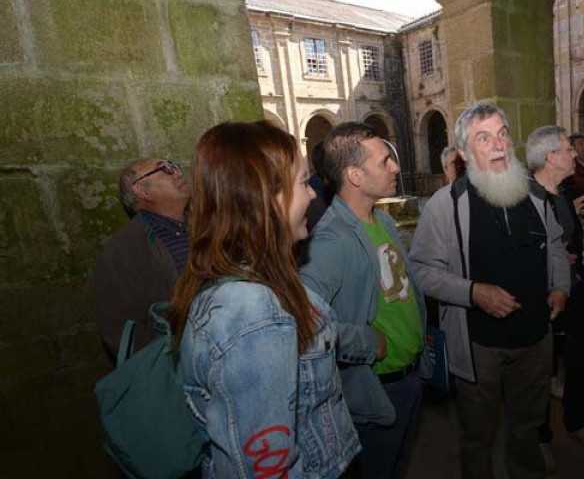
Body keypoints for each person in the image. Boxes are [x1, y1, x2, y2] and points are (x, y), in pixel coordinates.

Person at [170, 121, 360, 478]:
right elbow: (265, 467)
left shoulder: (248, 282)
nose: (313, 195)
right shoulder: (252, 313)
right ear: (267, 197)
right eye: (303, 182)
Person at [410, 103, 570, 479]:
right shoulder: (445, 205)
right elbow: (419, 270)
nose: (498, 144)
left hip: (535, 339)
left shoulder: (533, 195)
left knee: (526, 429)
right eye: (484, 138)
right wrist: (472, 292)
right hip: (479, 346)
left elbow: (558, 245)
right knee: (477, 436)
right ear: (464, 152)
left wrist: (561, 286)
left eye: (502, 134)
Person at [300, 122, 432, 479]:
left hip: (411, 375)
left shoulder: (384, 220)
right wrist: (365, 342)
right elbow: (301, 325)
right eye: (386, 160)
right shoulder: (330, 242)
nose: (396, 167)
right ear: (355, 175)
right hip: (377, 390)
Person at [527, 126, 584, 468]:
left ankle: (577, 423)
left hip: (572, 290)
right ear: (549, 157)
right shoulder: (523, 199)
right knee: (539, 369)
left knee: (583, 360)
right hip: (539, 296)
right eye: (566, 149)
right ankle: (540, 437)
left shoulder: (560, 193)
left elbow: (562, 236)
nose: (574, 154)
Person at [95, 156, 190, 361]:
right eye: (165, 168)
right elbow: (122, 337)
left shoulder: (209, 224)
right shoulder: (121, 253)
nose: (178, 172)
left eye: (175, 166)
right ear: (142, 191)